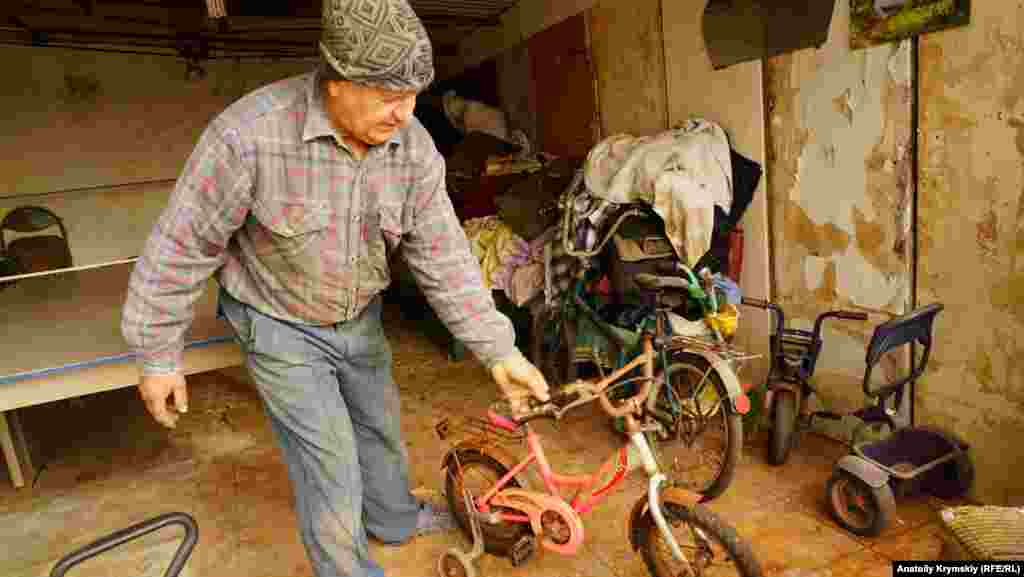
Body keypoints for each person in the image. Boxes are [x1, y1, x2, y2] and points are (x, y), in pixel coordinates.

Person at [120, 1, 550, 575]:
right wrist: (157, 353)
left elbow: (443, 254)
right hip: (276, 321)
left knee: (378, 426)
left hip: (357, 313)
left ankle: (393, 519)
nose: (406, 114)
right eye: (389, 97)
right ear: (337, 82)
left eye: (414, 95)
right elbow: (182, 244)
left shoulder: (412, 147)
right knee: (330, 464)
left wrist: (499, 349)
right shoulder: (249, 137)